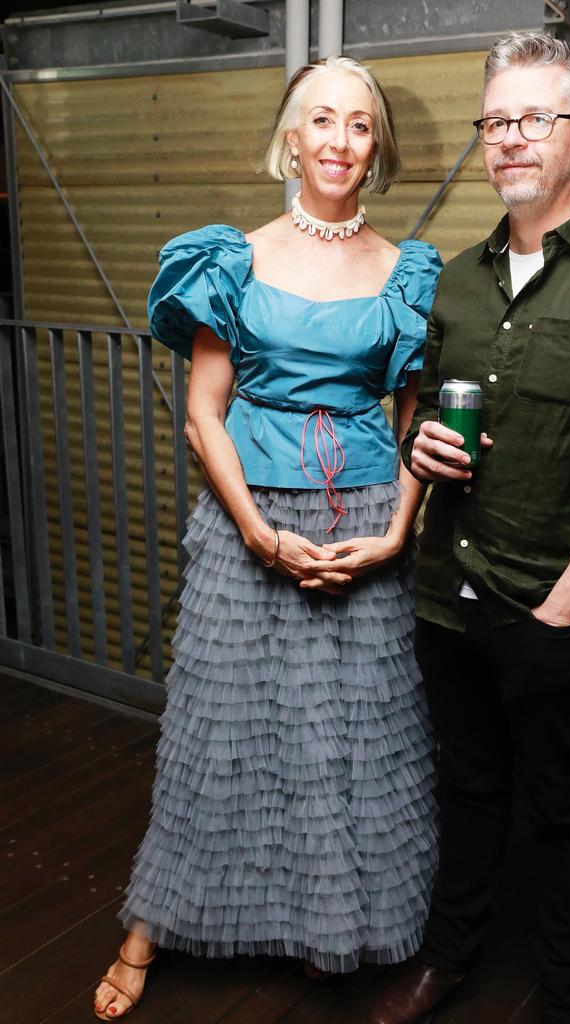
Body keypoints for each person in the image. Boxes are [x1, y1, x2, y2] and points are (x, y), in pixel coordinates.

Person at [93, 55, 442, 1021]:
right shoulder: (230, 259)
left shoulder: (403, 269)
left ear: (376, 150)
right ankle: (144, 933)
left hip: (366, 522)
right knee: (221, 732)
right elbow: (207, 415)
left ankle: (325, 928)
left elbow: (417, 427)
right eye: (320, 120)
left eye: (359, 125)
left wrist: (394, 538)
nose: (338, 140)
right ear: (290, 137)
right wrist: (257, 534)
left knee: (348, 738)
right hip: (254, 519)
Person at [368, 31, 570, 1024]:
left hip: (551, 596)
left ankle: (567, 992)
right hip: (443, 588)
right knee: (466, 790)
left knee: (558, 807)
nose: (510, 139)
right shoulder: (456, 278)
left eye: (535, 119)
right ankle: (448, 956)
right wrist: (419, 442)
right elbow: (419, 411)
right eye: (496, 120)